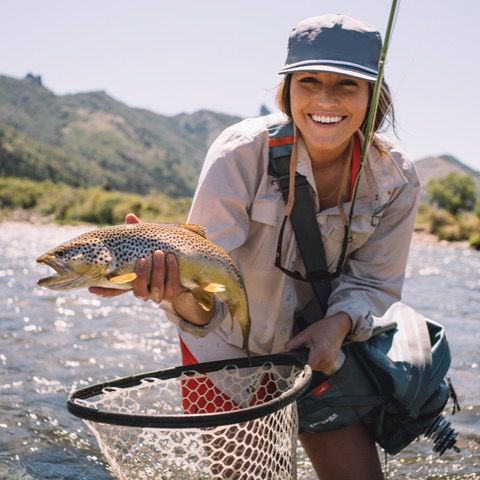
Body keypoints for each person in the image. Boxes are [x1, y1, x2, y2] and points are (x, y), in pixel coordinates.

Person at [91, 13, 421, 480]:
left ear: (373, 96)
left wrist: (338, 324)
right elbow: (204, 292)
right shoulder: (240, 153)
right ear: (287, 90)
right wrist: (174, 290)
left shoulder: (397, 178)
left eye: (347, 84)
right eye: (309, 81)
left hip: (320, 350)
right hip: (221, 354)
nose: (326, 99)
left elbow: (375, 281)